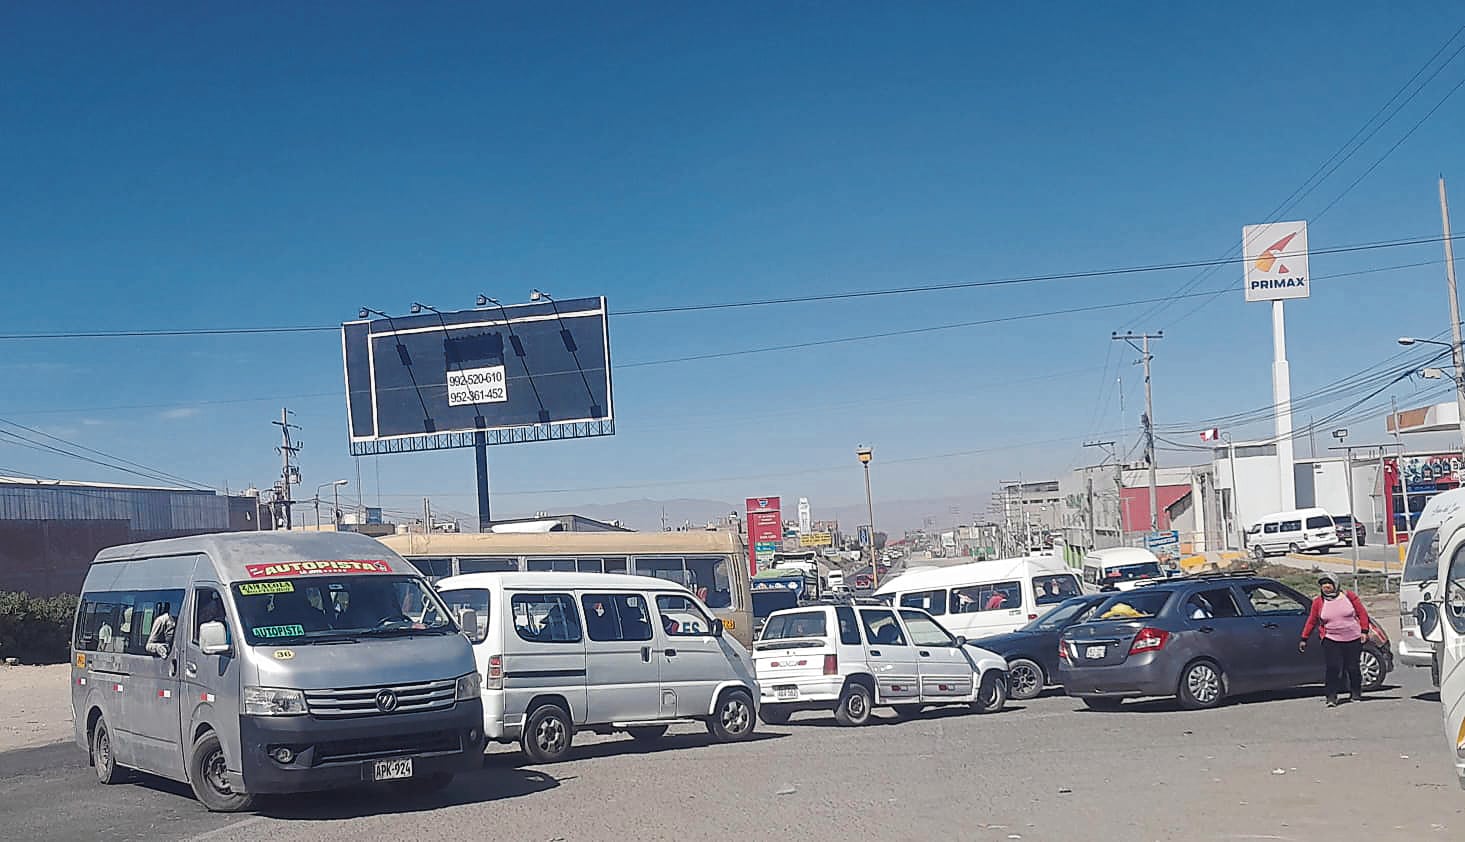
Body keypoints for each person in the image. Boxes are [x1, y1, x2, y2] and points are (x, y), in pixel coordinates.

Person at [1299, 572, 1373, 707]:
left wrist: (1364, 631)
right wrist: (1304, 638)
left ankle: (1355, 692)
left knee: (1352, 667)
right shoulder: (1318, 602)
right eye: (1323, 584)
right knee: (1333, 668)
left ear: (1336, 584)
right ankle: (1331, 696)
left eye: (1329, 583)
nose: (1326, 586)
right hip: (1331, 639)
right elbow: (1312, 621)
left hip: (1353, 638)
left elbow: (1362, 613)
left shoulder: (1349, 596)